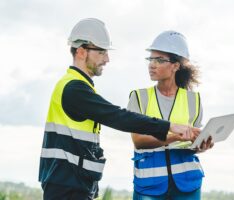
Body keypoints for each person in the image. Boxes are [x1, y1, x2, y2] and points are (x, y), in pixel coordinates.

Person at [38, 18, 200, 200]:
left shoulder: (79, 86)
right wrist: (169, 126)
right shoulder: (74, 89)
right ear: (82, 52)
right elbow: (118, 117)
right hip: (66, 185)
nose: (107, 59)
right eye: (101, 52)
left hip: (72, 182)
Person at [127, 31, 214, 200]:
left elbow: (193, 145)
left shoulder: (193, 100)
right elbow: (138, 140)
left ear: (176, 65)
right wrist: (175, 137)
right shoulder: (139, 97)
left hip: (187, 184)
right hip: (149, 186)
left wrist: (202, 146)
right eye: (150, 59)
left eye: (159, 60)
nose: (152, 65)